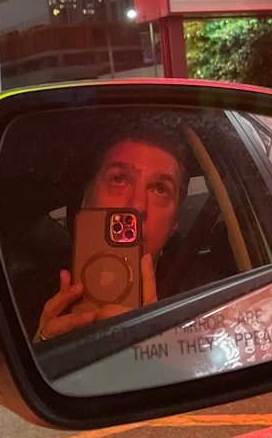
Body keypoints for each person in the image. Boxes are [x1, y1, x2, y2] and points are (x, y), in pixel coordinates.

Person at [33, 125, 188, 342]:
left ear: (174, 223)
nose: (136, 207)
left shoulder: (196, 300)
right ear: (86, 200)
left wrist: (159, 350)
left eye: (160, 189)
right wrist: (42, 344)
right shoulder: (26, 295)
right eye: (119, 179)